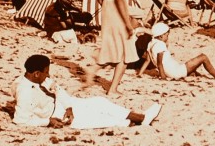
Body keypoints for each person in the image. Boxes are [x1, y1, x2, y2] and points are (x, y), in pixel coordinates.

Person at [13, 54, 161, 129]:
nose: (48, 75)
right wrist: (48, 121)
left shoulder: (40, 79)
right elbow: (21, 120)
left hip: (62, 106)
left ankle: (141, 118)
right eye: (46, 72)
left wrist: (69, 106)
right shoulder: (25, 92)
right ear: (37, 73)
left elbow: (59, 91)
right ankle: (135, 122)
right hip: (55, 115)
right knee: (97, 117)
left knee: (99, 102)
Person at [90, 0, 139, 97]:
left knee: (111, 46)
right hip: (117, 9)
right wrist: (127, 23)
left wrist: (106, 4)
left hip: (106, 8)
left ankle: (93, 71)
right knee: (125, 52)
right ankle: (113, 89)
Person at [141, 22, 215, 80]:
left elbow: (147, 60)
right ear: (161, 35)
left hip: (173, 71)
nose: (167, 37)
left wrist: (140, 74)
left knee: (192, 68)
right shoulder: (161, 45)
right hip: (176, 72)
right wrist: (163, 78)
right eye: (166, 35)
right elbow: (160, 64)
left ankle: (203, 73)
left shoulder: (150, 44)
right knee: (203, 57)